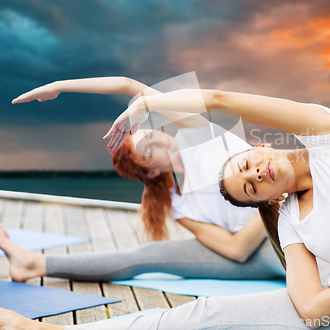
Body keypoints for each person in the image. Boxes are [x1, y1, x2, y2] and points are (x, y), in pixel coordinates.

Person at [0, 88, 330, 329]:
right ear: (264, 202)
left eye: (247, 164)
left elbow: (220, 99)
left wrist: (146, 101)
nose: (255, 174)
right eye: (249, 188)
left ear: (260, 146)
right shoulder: (289, 220)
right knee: (203, 314)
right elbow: (312, 311)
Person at [0, 78, 285, 285]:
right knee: (146, 255)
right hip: (259, 250)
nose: (162, 141)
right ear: (149, 172)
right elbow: (237, 250)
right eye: (150, 151)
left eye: (152, 134)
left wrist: (60, 86)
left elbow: (130, 86)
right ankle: (33, 263)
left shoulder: (200, 135)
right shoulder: (180, 206)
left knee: (305, 258)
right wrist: (275, 200)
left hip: (289, 229)